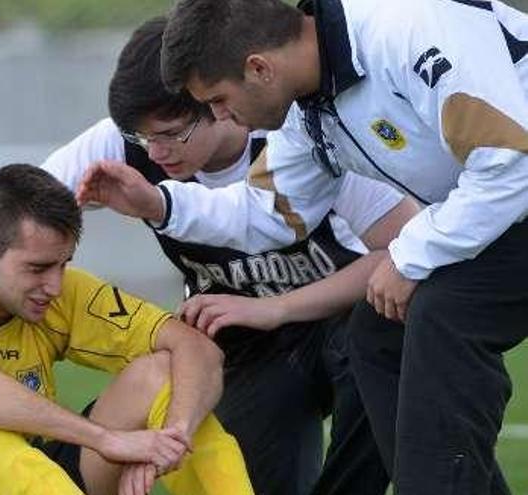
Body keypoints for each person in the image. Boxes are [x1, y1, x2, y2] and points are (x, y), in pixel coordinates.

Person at [0, 16, 418, 494]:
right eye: (141, 137)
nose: (154, 152)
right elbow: (8, 208)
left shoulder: (301, 135)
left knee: (383, 337)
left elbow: (405, 252)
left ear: (218, 105)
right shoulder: (119, 146)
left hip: (333, 315)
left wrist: (276, 307)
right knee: (242, 459)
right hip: (243, 339)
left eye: (170, 135)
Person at [81, 0, 528, 492]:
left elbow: (511, 161)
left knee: (441, 312)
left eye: (218, 100)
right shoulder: (307, 109)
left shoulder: (406, 28)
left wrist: (410, 254)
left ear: (259, 68)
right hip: (510, 208)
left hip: (516, 187)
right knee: (378, 330)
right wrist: (161, 206)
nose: (221, 116)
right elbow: (269, 214)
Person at [0, 164, 252, 495]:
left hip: (23, 481)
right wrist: (105, 440)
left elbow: (197, 351)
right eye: (38, 268)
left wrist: (170, 439)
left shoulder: (58, 293)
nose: (55, 285)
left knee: (161, 375)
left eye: (63, 264)